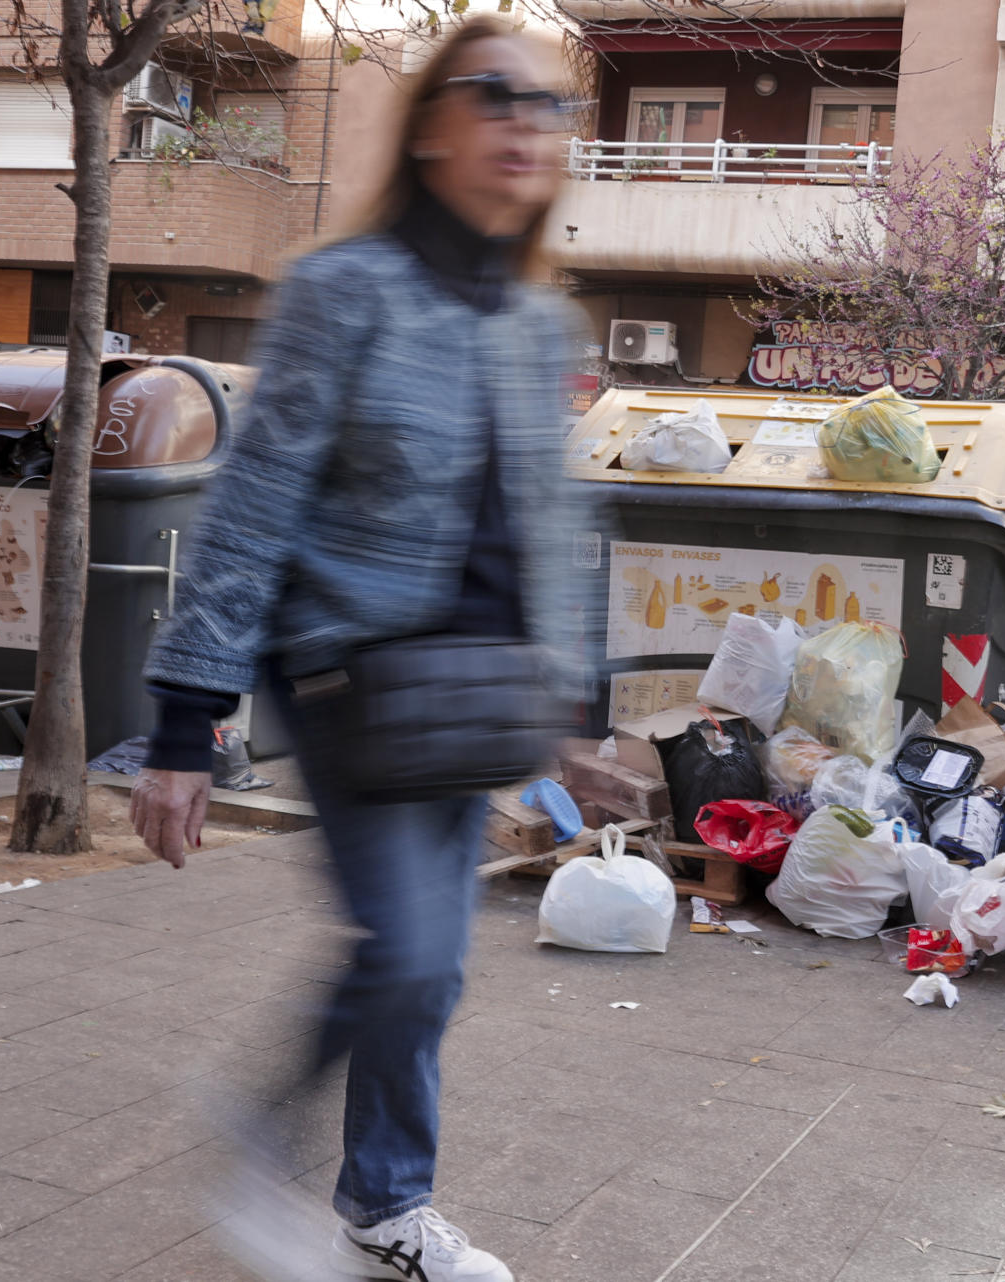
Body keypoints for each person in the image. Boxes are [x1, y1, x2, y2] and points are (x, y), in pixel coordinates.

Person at [129, 18, 589, 1281]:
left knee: (428, 976)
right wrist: (184, 722)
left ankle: (387, 1210)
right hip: (351, 675)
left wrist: (572, 701)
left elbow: (551, 524)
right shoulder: (347, 290)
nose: (526, 126)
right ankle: (262, 1124)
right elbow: (252, 506)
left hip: (481, 693)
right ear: (435, 123)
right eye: (497, 97)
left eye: (550, 109)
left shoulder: (540, 323)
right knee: (414, 949)